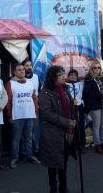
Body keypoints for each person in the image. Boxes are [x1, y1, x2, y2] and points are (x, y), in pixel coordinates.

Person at [39, 65, 76, 193]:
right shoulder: (45, 92)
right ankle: (53, 188)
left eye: (63, 74)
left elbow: (70, 107)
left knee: (63, 161)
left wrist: (74, 116)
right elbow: (47, 113)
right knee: (53, 163)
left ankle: (63, 186)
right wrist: (67, 122)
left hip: (65, 132)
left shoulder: (65, 89)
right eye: (60, 75)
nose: (63, 77)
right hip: (52, 133)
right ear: (53, 77)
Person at [5, 63, 40, 169]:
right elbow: (8, 101)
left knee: (29, 137)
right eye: (19, 70)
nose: (22, 71)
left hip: (29, 114)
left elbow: (33, 97)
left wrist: (36, 111)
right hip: (17, 115)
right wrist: (9, 116)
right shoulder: (10, 84)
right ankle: (14, 158)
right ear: (14, 72)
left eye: (23, 70)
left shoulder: (30, 82)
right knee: (16, 138)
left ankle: (29, 155)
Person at [83, 60, 103, 154]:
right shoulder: (88, 79)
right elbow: (88, 92)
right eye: (94, 68)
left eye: (98, 67)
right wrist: (101, 96)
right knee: (96, 126)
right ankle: (98, 145)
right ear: (91, 69)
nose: (97, 69)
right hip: (94, 105)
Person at [22, 59, 42, 155]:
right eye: (26, 65)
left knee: (35, 129)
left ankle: (36, 149)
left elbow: (39, 91)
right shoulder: (18, 79)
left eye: (30, 65)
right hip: (22, 107)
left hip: (35, 107)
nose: (29, 67)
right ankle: (24, 152)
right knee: (24, 131)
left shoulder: (36, 77)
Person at [66, 69, 86, 153]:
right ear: (68, 76)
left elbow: (89, 79)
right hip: (70, 108)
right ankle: (72, 146)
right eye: (71, 75)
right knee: (71, 127)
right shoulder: (65, 85)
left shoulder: (81, 84)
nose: (73, 76)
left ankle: (81, 145)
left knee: (80, 127)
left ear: (77, 76)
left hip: (79, 107)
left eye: (75, 75)